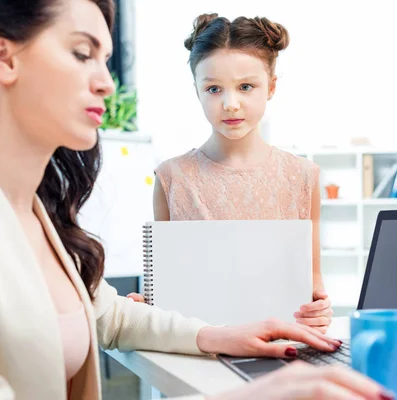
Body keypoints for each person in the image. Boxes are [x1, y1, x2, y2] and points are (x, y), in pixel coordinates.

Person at [0, 1, 392, 399]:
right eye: (81, 53)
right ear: (4, 58)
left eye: (106, 60)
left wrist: (220, 335)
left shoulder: (34, 211)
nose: (106, 83)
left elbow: (107, 314)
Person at [126, 13, 333, 334]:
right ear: (196, 90)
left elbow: (312, 282)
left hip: (280, 350)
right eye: (213, 89)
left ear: (271, 87)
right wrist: (145, 307)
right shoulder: (172, 177)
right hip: (197, 353)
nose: (230, 104)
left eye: (246, 86)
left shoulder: (303, 176)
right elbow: (165, 290)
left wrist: (318, 310)